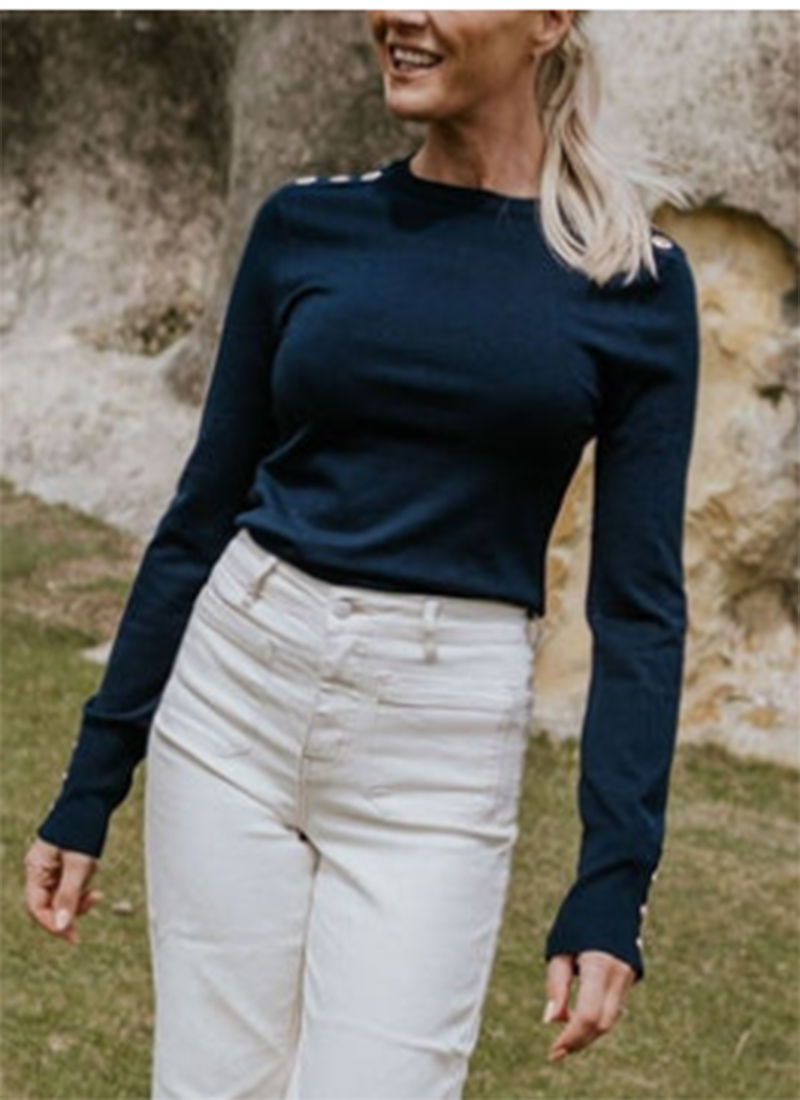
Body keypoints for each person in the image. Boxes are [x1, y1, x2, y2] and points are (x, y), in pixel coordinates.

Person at [23, 9, 701, 1099]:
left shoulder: (634, 281)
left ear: (549, 21)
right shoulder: (305, 224)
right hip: (233, 703)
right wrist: (92, 778)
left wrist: (612, 881)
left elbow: (637, 609)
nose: (399, 14)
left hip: (438, 753)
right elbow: (203, 511)